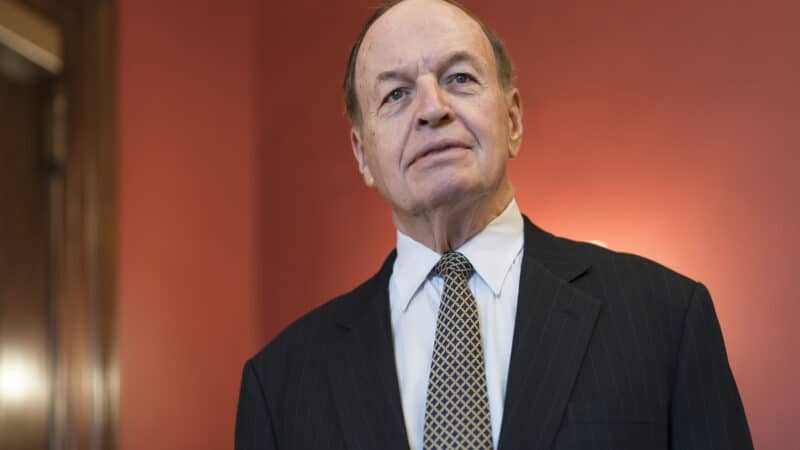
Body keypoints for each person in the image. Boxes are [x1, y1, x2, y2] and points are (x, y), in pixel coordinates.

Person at [234, 0, 754, 449]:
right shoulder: (280, 384)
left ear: (513, 119)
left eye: (459, 78)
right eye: (395, 95)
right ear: (362, 153)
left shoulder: (666, 317)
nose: (432, 109)